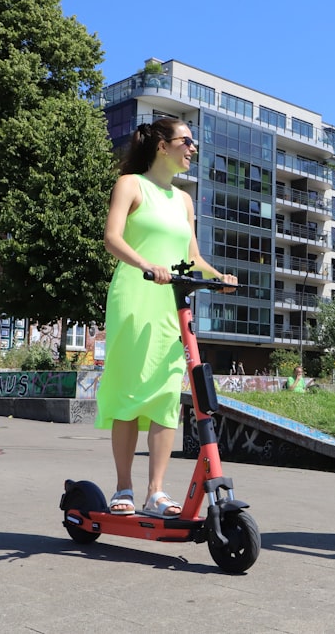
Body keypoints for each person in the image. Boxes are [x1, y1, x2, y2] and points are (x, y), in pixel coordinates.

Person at [97, 118, 237, 517]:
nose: (192, 148)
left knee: (164, 395)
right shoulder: (131, 184)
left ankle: (155, 492)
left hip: (171, 305)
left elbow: (192, 257)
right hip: (136, 295)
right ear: (162, 145)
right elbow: (113, 238)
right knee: (128, 390)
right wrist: (147, 264)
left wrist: (218, 277)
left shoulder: (184, 200)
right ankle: (123, 488)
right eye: (186, 141)